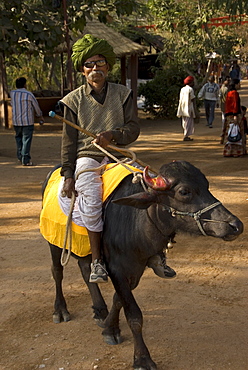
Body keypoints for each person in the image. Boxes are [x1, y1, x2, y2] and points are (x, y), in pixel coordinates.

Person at [59, 34, 176, 283]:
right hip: (88, 159)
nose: (95, 69)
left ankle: (156, 253)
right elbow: (69, 143)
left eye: (100, 63)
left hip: (118, 156)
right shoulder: (72, 101)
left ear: (108, 66)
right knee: (90, 199)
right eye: (89, 64)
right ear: (82, 70)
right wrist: (68, 176)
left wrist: (113, 135)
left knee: (154, 188)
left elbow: (133, 129)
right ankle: (98, 262)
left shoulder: (123, 94)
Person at [10, 77, 44, 166]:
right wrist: (39, 115)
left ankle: (20, 157)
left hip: (16, 121)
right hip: (27, 121)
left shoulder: (12, 94)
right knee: (26, 140)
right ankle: (25, 159)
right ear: (25, 84)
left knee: (18, 139)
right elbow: (36, 106)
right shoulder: (28, 94)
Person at [221, 79, 246, 157]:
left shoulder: (229, 93)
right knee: (237, 132)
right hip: (235, 116)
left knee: (230, 132)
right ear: (235, 85)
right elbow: (235, 105)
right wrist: (235, 116)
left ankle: (229, 151)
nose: (239, 85)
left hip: (228, 116)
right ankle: (237, 151)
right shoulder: (235, 93)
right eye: (238, 84)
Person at [177, 76, 196, 141]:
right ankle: (186, 135)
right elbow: (192, 98)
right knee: (189, 122)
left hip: (182, 107)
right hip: (188, 107)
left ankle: (186, 134)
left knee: (184, 121)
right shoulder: (190, 89)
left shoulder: (182, 89)